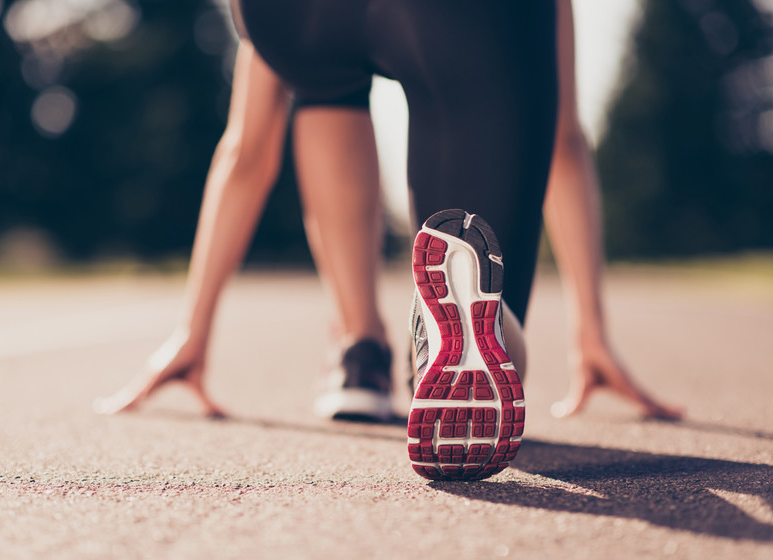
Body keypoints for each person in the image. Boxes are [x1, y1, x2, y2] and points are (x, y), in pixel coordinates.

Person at [97, 0, 681, 479]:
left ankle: (359, 348)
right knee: (477, 268)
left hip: (287, 18)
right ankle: (475, 326)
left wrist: (191, 331)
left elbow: (246, 152)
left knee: (322, 85)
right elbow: (563, 143)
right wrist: (590, 331)